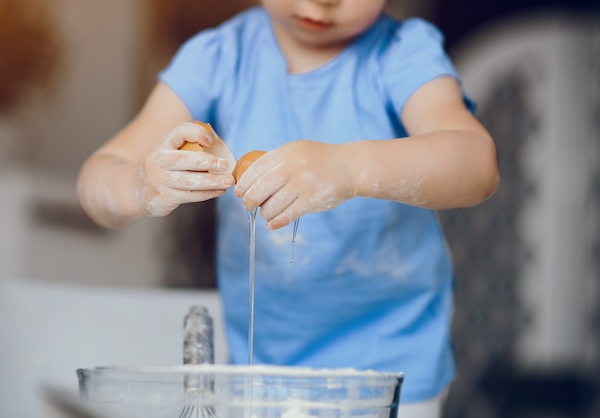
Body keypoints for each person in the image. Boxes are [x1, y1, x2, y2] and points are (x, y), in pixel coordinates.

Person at [77, 0, 499, 416]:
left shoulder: (403, 53)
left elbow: (477, 164)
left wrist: (351, 168)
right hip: (257, 378)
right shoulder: (219, 59)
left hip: (392, 372)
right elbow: (98, 176)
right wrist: (141, 186)